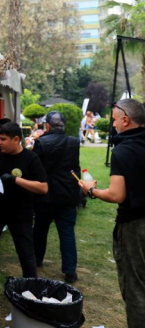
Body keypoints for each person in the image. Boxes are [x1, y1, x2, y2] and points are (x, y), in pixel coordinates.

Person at [79, 99, 145, 327]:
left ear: (125, 120)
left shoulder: (123, 150)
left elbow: (117, 195)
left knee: (136, 287)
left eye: (115, 120)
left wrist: (91, 190)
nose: (113, 124)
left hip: (135, 227)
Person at [0, 122, 48, 327]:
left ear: (16, 139)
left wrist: (16, 181)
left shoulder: (30, 158)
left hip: (20, 213)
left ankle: (31, 293)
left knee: (25, 252)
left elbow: (43, 187)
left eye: (3, 139)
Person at [32, 111, 81, 284]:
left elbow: (35, 168)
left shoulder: (41, 142)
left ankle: (36, 260)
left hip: (45, 192)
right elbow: (75, 167)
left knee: (40, 228)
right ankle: (70, 271)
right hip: (67, 192)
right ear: (64, 125)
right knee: (67, 232)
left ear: (48, 125)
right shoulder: (74, 142)